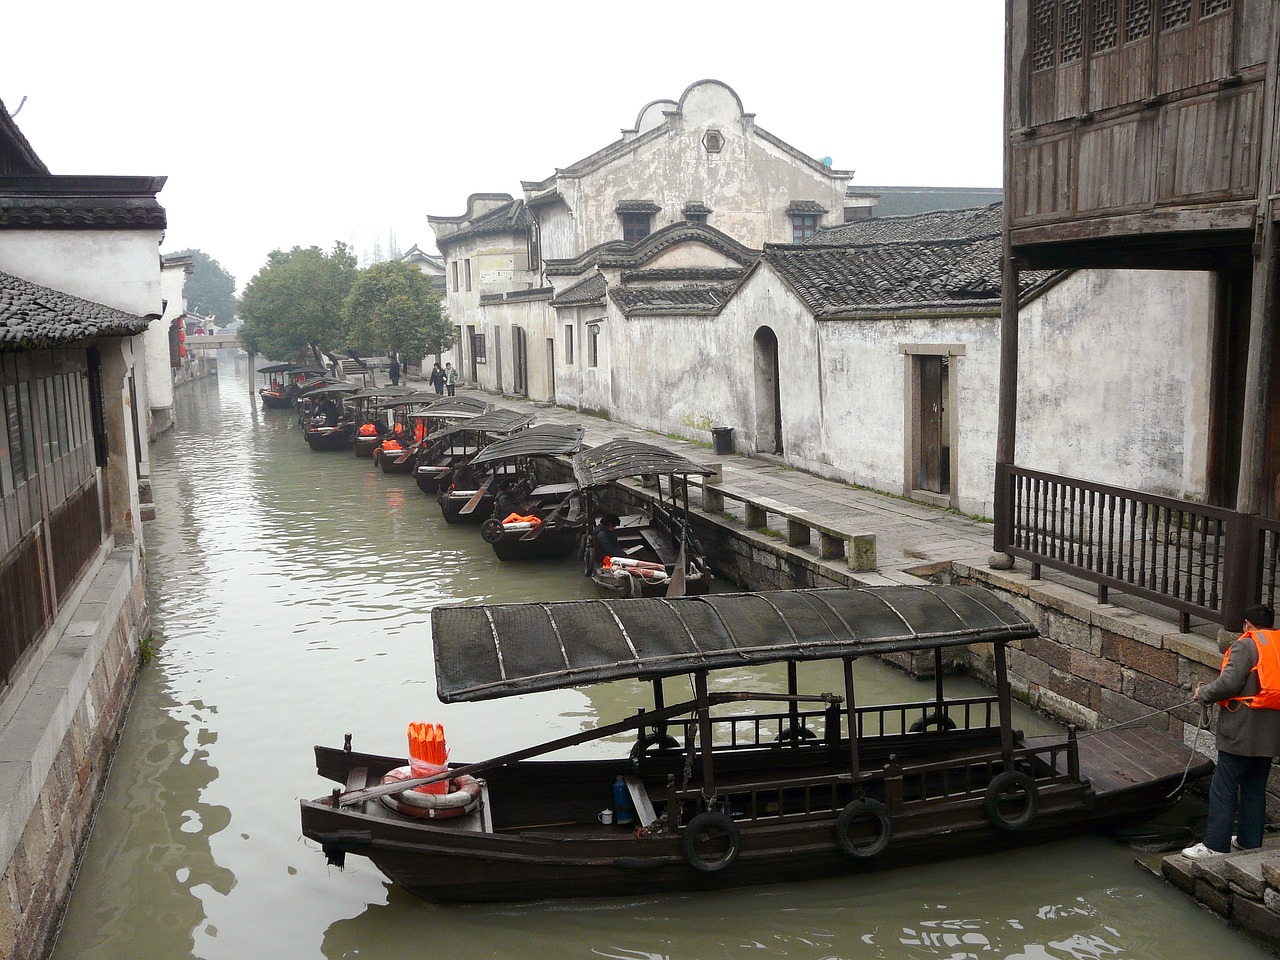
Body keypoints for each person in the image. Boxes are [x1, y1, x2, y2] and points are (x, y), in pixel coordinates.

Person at [1182, 604, 1280, 858]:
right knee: (1254, 789)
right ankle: (1250, 842)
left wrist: (1203, 693)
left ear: (1248, 624)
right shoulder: (1277, 645)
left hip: (1241, 729)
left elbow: (1229, 683)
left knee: (1223, 787)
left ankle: (1215, 845)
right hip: (1270, 732)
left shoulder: (1246, 645)